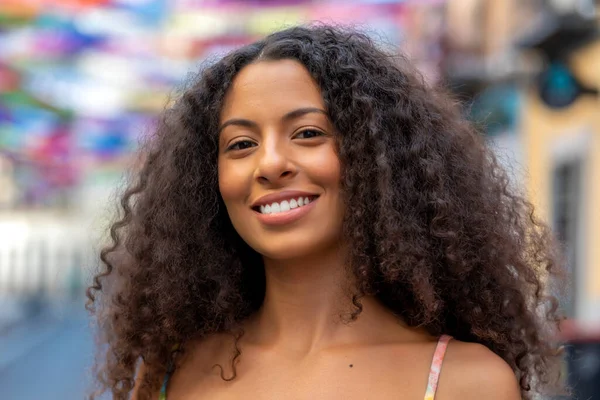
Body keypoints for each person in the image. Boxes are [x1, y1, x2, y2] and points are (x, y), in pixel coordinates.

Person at [87, 25, 565, 400]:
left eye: (309, 133)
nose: (270, 164)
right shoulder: (168, 373)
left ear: (382, 160)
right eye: (241, 144)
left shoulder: (467, 383)